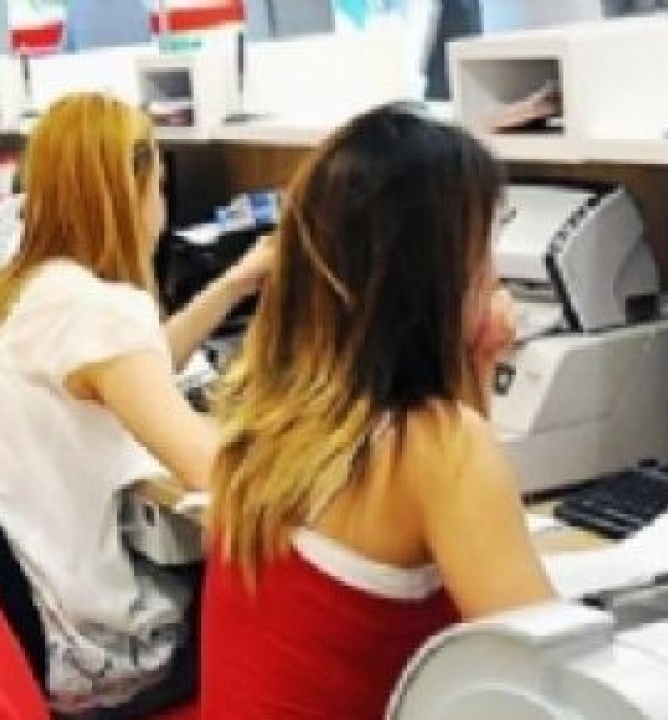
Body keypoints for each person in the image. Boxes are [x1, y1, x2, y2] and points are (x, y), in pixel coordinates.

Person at [201, 104, 555, 719]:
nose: (496, 272)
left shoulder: (270, 415)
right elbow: (547, 684)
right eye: (485, 246)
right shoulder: (437, 446)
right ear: (436, 274)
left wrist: (475, 365)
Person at [0, 92, 269, 718]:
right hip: (88, 654)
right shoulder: (100, 311)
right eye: (159, 186)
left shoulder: (22, 289)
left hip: (14, 629)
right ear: (130, 191)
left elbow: (133, 366)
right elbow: (214, 471)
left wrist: (233, 284)